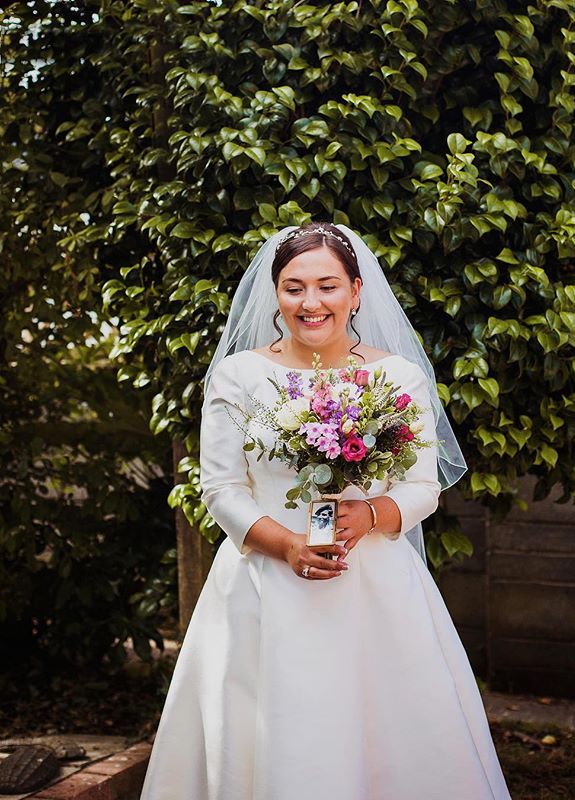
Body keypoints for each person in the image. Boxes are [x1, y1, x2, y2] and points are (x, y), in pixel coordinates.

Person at [139, 222, 512, 799]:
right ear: (275, 295)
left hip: (375, 588)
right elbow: (220, 487)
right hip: (261, 586)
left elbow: (422, 487)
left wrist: (372, 514)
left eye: (327, 286)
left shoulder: (397, 377)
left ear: (356, 291)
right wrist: (287, 544)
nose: (310, 303)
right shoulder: (239, 377)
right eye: (293, 288)